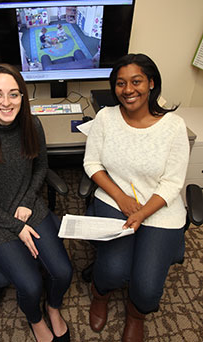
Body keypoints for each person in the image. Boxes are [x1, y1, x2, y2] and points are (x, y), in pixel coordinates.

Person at [0, 63, 72, 342]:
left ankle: (53, 307)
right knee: (31, 284)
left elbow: (40, 167)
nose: (6, 102)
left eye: (14, 94)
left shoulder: (32, 124)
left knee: (62, 272)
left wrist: (25, 200)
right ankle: (35, 320)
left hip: (28, 206)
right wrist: (15, 226)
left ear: (23, 96)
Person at [83, 53, 189, 341]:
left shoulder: (174, 126)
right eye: (120, 83)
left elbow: (172, 182)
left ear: (151, 83)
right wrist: (120, 198)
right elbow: (92, 164)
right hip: (115, 200)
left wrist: (142, 213)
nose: (128, 90)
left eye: (136, 81)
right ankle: (100, 294)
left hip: (160, 209)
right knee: (112, 271)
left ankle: (135, 313)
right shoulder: (105, 117)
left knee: (146, 288)